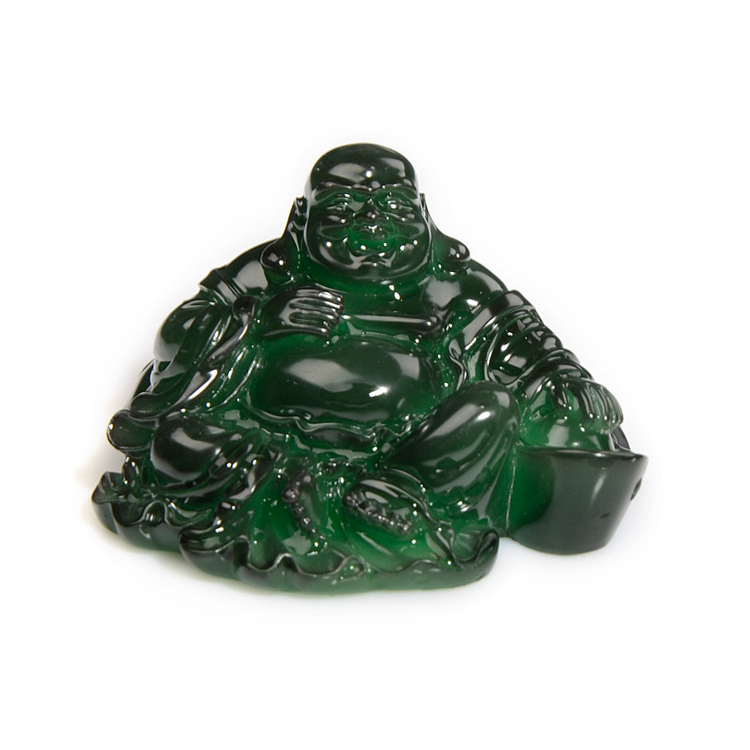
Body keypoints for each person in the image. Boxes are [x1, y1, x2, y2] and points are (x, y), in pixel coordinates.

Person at [94, 144, 645, 591]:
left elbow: (521, 341)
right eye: (345, 208)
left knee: (493, 408)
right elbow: (180, 333)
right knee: (177, 442)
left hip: (414, 444)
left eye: (393, 208)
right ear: (303, 217)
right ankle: (314, 494)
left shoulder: (453, 283)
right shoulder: (268, 272)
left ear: (424, 213)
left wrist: (567, 379)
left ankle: (393, 491)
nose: (373, 223)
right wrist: (260, 317)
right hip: (269, 433)